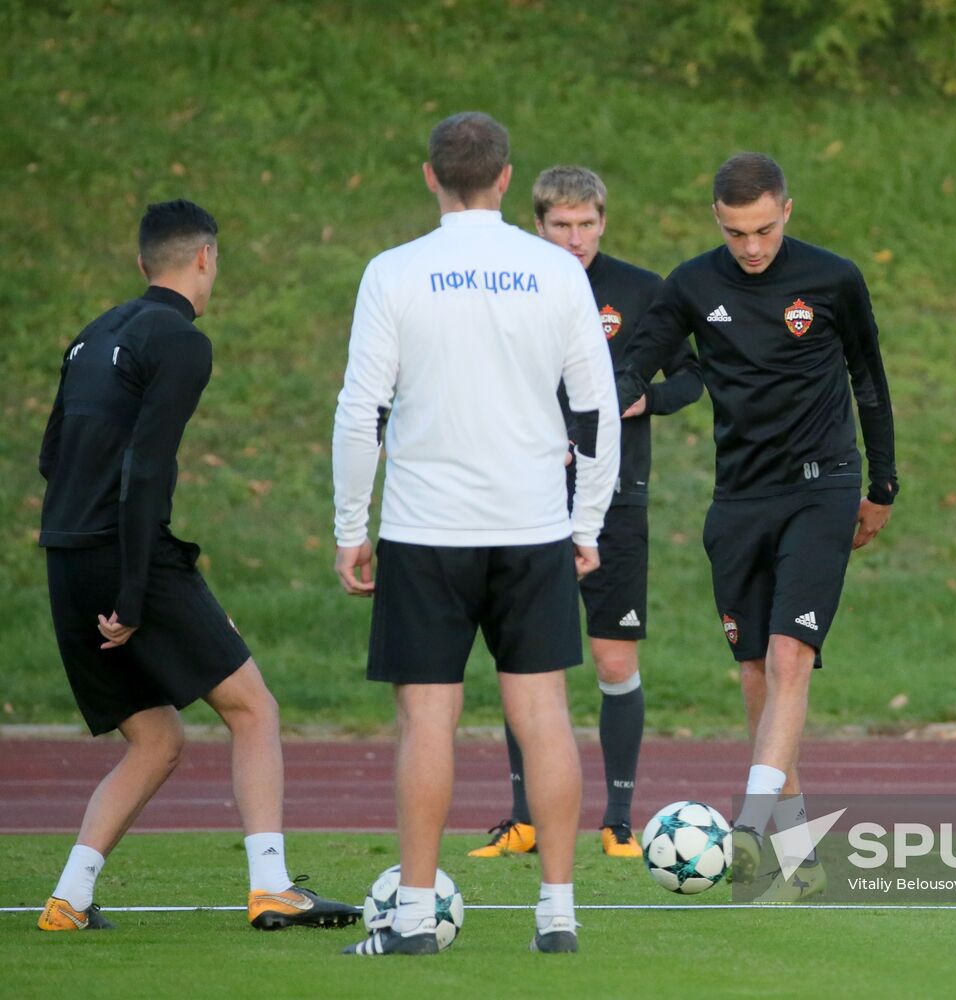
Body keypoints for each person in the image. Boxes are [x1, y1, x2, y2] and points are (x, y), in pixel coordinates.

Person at [332, 113, 619, 955]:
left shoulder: (393, 272)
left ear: (431, 177)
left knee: (427, 723)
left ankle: (415, 916)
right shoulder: (557, 271)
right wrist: (587, 521)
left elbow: (360, 412)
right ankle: (559, 914)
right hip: (532, 526)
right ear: (504, 180)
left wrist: (353, 525)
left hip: (426, 530)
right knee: (544, 714)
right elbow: (596, 408)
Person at [35, 199, 357, 933]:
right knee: (254, 710)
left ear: (141, 261)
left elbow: (53, 459)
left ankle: (68, 900)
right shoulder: (180, 340)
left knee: (157, 738)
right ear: (206, 258)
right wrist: (137, 593)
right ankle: (272, 886)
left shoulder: (92, 335)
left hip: (65, 556)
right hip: (126, 555)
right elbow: (147, 467)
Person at [614, 153, 898, 901]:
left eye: (765, 229)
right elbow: (635, 363)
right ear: (718, 219)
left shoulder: (833, 279)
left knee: (789, 656)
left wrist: (883, 484)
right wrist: (600, 402)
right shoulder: (690, 285)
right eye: (737, 231)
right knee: (753, 672)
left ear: (787, 211)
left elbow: (869, 380)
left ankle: (748, 829)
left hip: (823, 488)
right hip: (738, 499)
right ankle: (802, 852)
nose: (751, 246)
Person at [469, 166, 702, 862]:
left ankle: (619, 820)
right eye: (560, 225)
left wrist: (648, 401)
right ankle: (524, 819)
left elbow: (693, 375)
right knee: (526, 657)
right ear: (537, 224)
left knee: (611, 654)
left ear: (604, 221)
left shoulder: (641, 290)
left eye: (586, 223)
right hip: (527, 493)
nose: (574, 238)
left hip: (617, 495)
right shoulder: (514, 285)